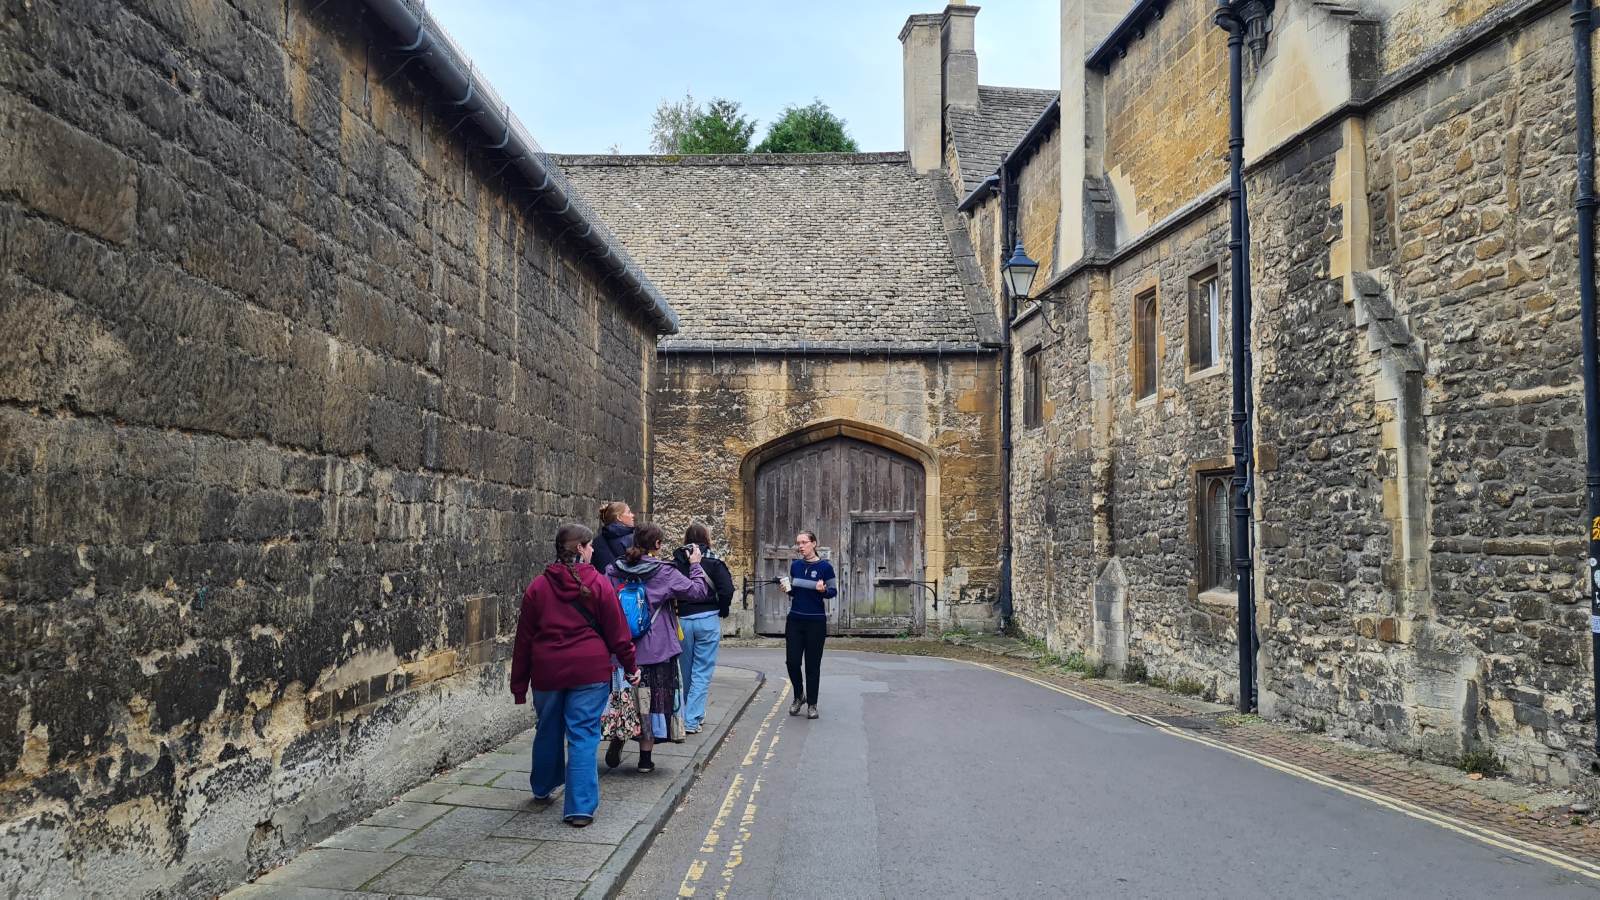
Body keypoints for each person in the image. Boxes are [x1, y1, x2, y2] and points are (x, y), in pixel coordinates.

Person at [510, 524, 640, 828]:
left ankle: (543, 787)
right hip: (590, 670)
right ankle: (579, 809)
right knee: (583, 734)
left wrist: (519, 686)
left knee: (547, 729)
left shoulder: (538, 587)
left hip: (547, 670)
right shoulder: (599, 584)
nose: (593, 550)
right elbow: (618, 633)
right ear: (580, 548)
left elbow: (523, 641)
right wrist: (631, 667)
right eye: (590, 545)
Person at [604, 523, 709, 772]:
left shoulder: (613, 569)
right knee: (649, 702)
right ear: (658, 545)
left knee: (624, 696)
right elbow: (698, 591)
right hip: (656, 649)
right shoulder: (664, 572)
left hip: (621, 647)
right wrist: (695, 564)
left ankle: (619, 736)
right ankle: (644, 759)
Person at [672, 523, 735, 734]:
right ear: (706, 539)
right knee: (702, 671)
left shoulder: (675, 563)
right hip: (707, 619)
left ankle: (690, 715)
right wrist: (723, 609)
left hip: (682, 621)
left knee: (686, 671)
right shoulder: (714, 563)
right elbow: (727, 589)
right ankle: (691, 720)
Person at [782, 530, 836, 720]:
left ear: (814, 543)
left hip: (815, 622)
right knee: (792, 662)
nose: (800, 546)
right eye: (798, 543)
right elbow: (795, 593)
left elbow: (833, 592)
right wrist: (787, 590)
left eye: (804, 542)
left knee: (812, 665)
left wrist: (823, 591)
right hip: (795, 620)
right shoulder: (795, 566)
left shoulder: (825, 567)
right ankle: (799, 696)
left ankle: (812, 704)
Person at [591, 501, 635, 576]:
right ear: (619, 517)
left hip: (603, 585)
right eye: (629, 512)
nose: (632, 515)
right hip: (627, 586)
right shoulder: (633, 539)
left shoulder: (595, 542)